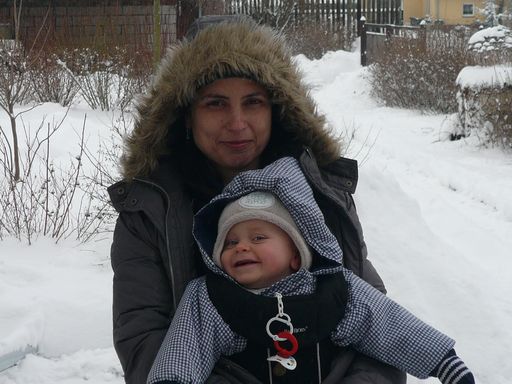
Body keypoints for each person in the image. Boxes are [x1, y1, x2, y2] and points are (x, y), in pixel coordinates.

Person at [109, 15, 405, 383]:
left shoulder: (318, 193)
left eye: (253, 102)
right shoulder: (152, 211)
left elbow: (376, 321)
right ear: (185, 115)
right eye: (216, 103)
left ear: (275, 109)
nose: (237, 123)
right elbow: (143, 340)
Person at [146, 157, 475, 384]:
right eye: (230, 243)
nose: (241, 247)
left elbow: (385, 323)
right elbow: (185, 348)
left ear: (295, 254)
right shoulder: (211, 298)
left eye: (259, 237)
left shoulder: (334, 291)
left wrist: (443, 360)